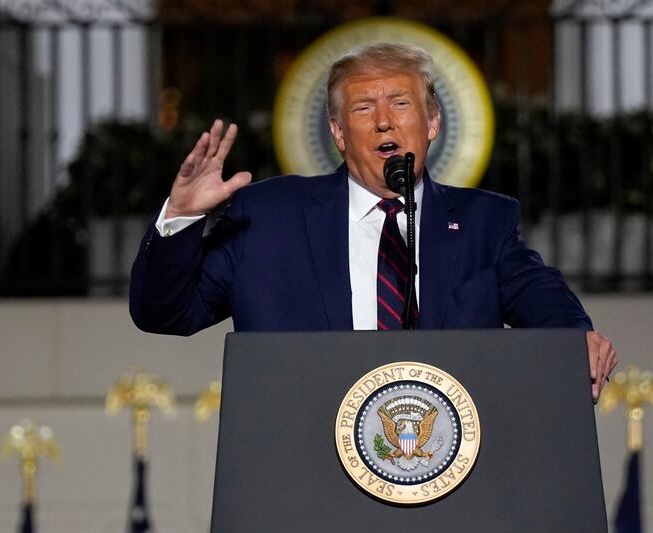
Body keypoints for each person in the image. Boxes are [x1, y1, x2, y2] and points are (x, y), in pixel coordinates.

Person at [130, 43, 618, 400]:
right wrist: (182, 217)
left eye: (400, 104)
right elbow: (167, 313)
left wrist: (576, 338)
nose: (384, 121)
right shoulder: (267, 218)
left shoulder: (482, 223)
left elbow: (541, 296)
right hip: (300, 473)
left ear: (432, 123)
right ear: (339, 133)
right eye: (364, 108)